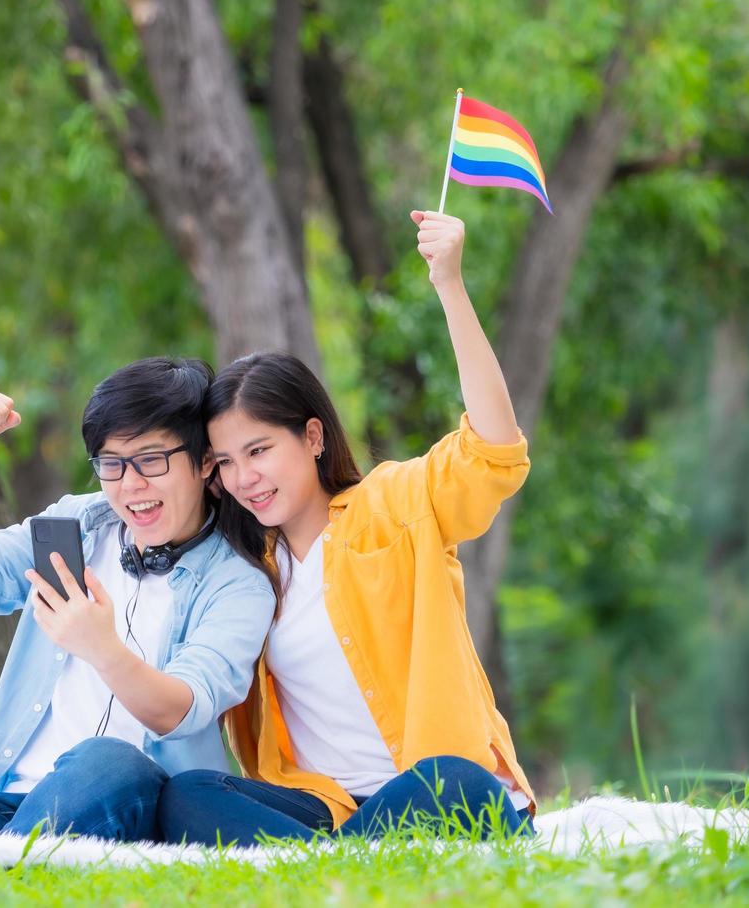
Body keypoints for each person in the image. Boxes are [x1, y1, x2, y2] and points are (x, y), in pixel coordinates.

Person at [158, 212, 535, 847]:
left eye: (259, 450)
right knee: (190, 795)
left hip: (435, 791)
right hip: (326, 807)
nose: (244, 477)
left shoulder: (396, 501)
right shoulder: (244, 571)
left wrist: (450, 286)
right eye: (226, 461)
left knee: (458, 781)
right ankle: (351, 856)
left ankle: (333, 864)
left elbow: (494, 450)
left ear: (311, 437)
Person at [0, 358, 275, 842]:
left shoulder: (237, 583)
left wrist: (102, 648)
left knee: (108, 758)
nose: (130, 485)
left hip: (126, 801)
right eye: (112, 464)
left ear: (205, 463)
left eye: (151, 460)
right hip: (11, 804)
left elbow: (180, 711)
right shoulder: (80, 525)